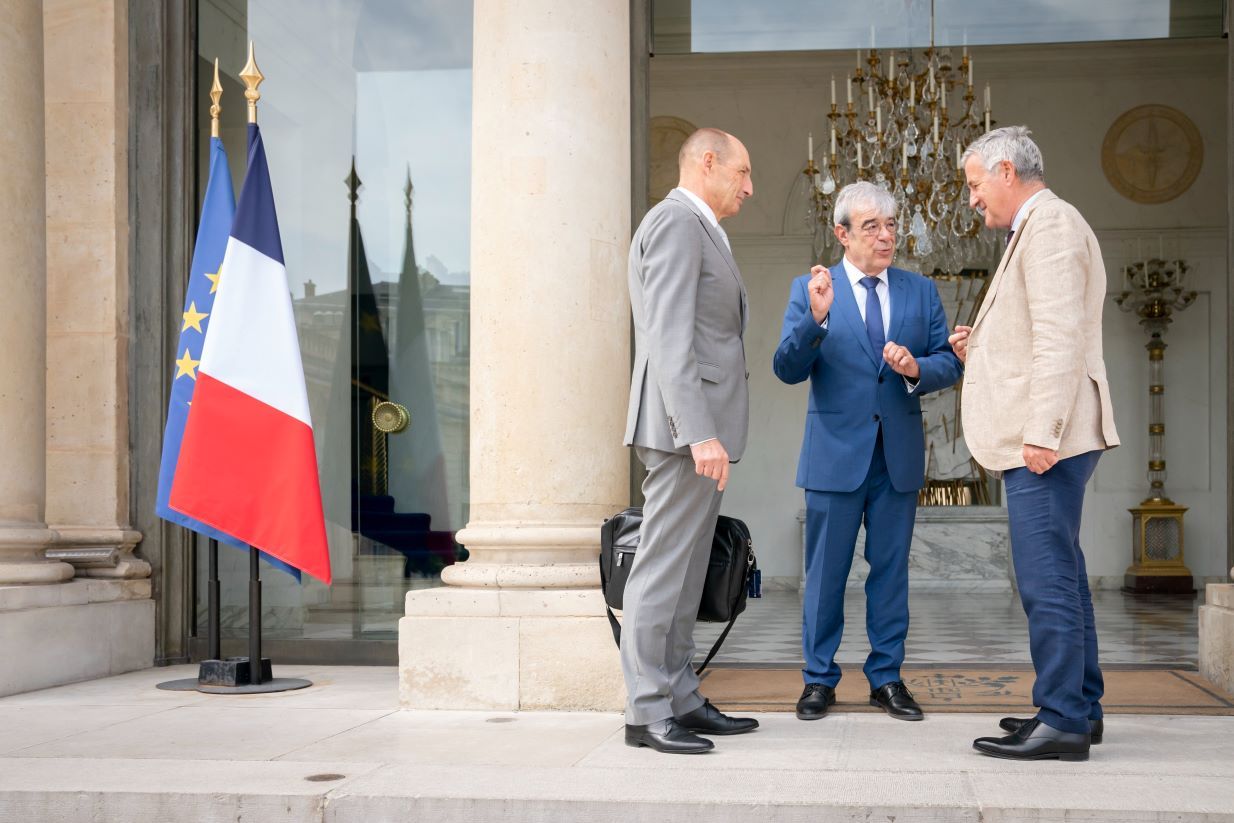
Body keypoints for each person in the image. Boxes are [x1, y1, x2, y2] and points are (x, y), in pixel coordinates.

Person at [950, 126, 1120, 761]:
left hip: (1046, 441)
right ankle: (1079, 706)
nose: (972, 200)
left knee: (1045, 581)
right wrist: (981, 346)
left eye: (973, 185)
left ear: (1004, 170)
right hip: (1048, 435)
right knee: (1067, 577)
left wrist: (1042, 433)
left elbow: (1059, 337)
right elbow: (1036, 334)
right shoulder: (1041, 226)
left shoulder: (1048, 225)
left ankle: (1063, 719)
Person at [772, 181, 963, 724]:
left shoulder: (919, 290)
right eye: (872, 227)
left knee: (891, 574)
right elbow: (786, 369)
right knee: (825, 574)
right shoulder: (812, 288)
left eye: (892, 226)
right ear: (842, 234)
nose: (887, 236)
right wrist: (817, 319)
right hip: (834, 457)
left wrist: (915, 369)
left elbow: (949, 363)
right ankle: (817, 680)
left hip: (896, 458)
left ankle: (886, 678)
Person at [620, 127, 758, 754]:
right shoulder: (677, 223)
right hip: (685, 433)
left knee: (686, 570)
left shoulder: (698, 226)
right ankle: (646, 710)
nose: (750, 187)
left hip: (698, 432)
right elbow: (670, 336)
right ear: (708, 162)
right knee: (661, 569)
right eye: (743, 172)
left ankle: (679, 696)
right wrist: (697, 431)